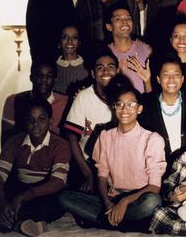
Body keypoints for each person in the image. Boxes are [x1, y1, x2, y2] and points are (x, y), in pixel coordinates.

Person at [60, 77, 166, 232]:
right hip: (112, 197)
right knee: (64, 197)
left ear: (139, 109)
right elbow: (102, 177)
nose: (124, 109)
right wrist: (108, 203)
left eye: (131, 105)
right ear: (113, 108)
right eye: (119, 104)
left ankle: (104, 220)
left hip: (138, 199)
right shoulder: (105, 136)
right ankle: (125, 222)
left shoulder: (152, 139)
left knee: (152, 202)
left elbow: (154, 187)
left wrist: (124, 203)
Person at [0, 97, 70, 236]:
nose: (35, 124)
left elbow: (58, 181)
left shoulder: (60, 145)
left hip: (42, 191)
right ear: (25, 121)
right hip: (19, 186)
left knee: (56, 202)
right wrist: (3, 203)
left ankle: (14, 221)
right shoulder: (14, 142)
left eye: (41, 119)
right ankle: (20, 222)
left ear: (51, 121)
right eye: (31, 120)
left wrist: (23, 197)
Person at [63, 50, 120, 192]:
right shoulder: (83, 96)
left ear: (118, 71)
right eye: (100, 68)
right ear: (93, 74)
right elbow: (72, 138)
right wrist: (88, 174)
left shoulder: (125, 95)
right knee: (67, 198)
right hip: (88, 163)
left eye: (111, 67)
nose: (106, 71)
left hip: (118, 163)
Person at [139, 54, 186, 158]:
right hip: (159, 164)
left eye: (176, 75)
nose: (171, 79)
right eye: (166, 75)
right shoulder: (148, 105)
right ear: (158, 79)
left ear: (182, 79)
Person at [2, 61, 68, 145]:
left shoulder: (66, 103)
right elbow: (6, 139)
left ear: (55, 79)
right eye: (39, 75)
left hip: (56, 154)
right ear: (31, 77)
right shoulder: (14, 100)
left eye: (49, 76)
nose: (44, 80)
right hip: (23, 154)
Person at [105, 2, 151, 93]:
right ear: (109, 26)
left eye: (128, 18)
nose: (125, 22)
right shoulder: (105, 53)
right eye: (118, 19)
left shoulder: (147, 50)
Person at [53, 25, 89, 95]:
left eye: (75, 37)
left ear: (79, 42)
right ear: (59, 42)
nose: (69, 41)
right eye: (64, 37)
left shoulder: (89, 67)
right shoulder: (51, 68)